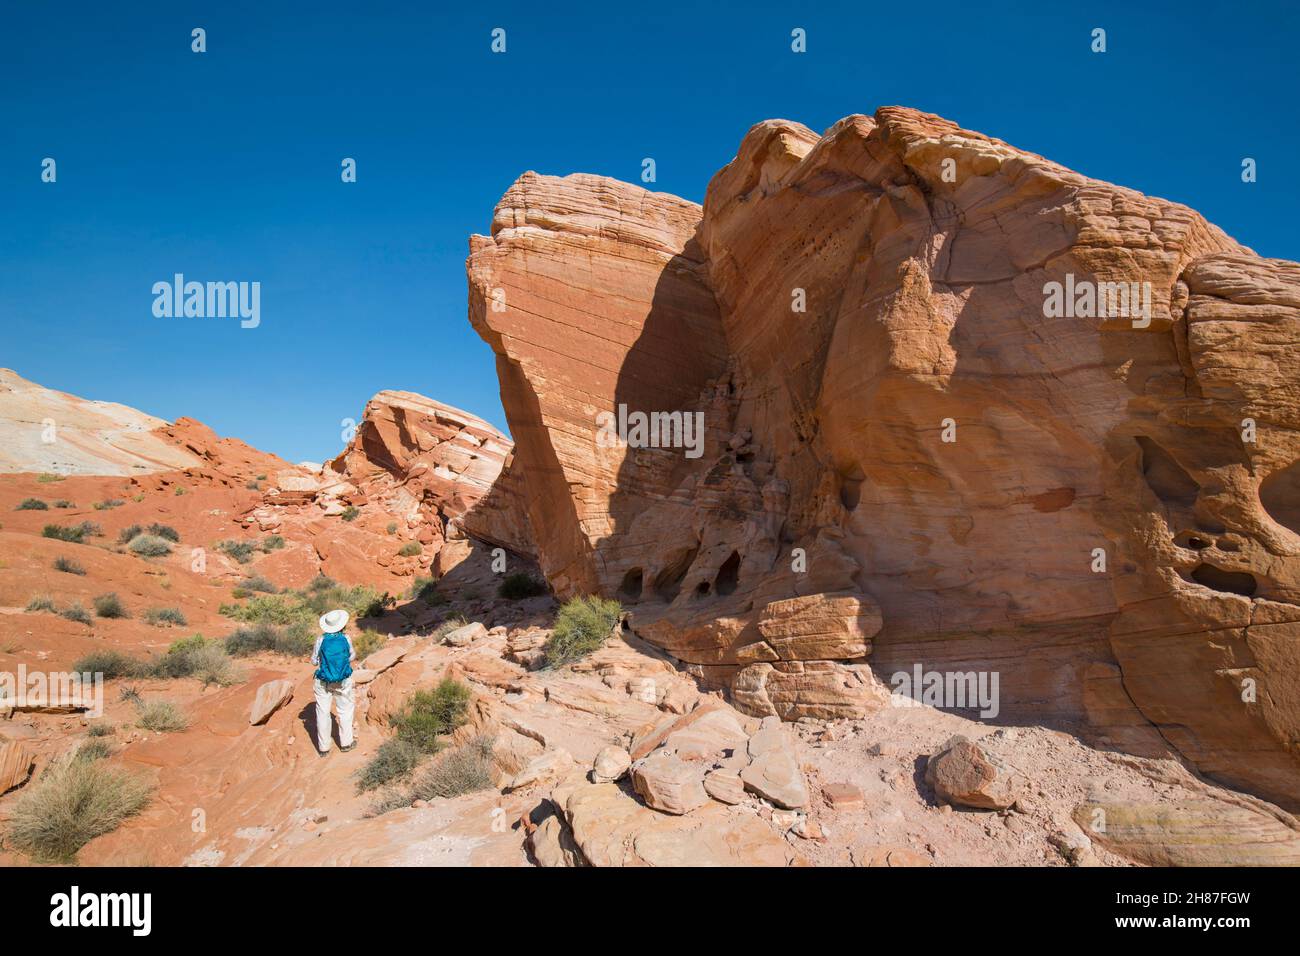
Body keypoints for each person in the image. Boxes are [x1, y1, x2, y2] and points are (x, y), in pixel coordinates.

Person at [311, 608, 357, 756]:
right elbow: (352, 656)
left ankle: (324, 749)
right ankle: (346, 743)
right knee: (345, 711)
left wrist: (323, 663)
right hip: (343, 680)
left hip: (323, 681)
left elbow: (313, 661)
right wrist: (342, 663)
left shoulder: (321, 639)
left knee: (323, 712)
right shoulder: (346, 638)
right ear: (342, 624)